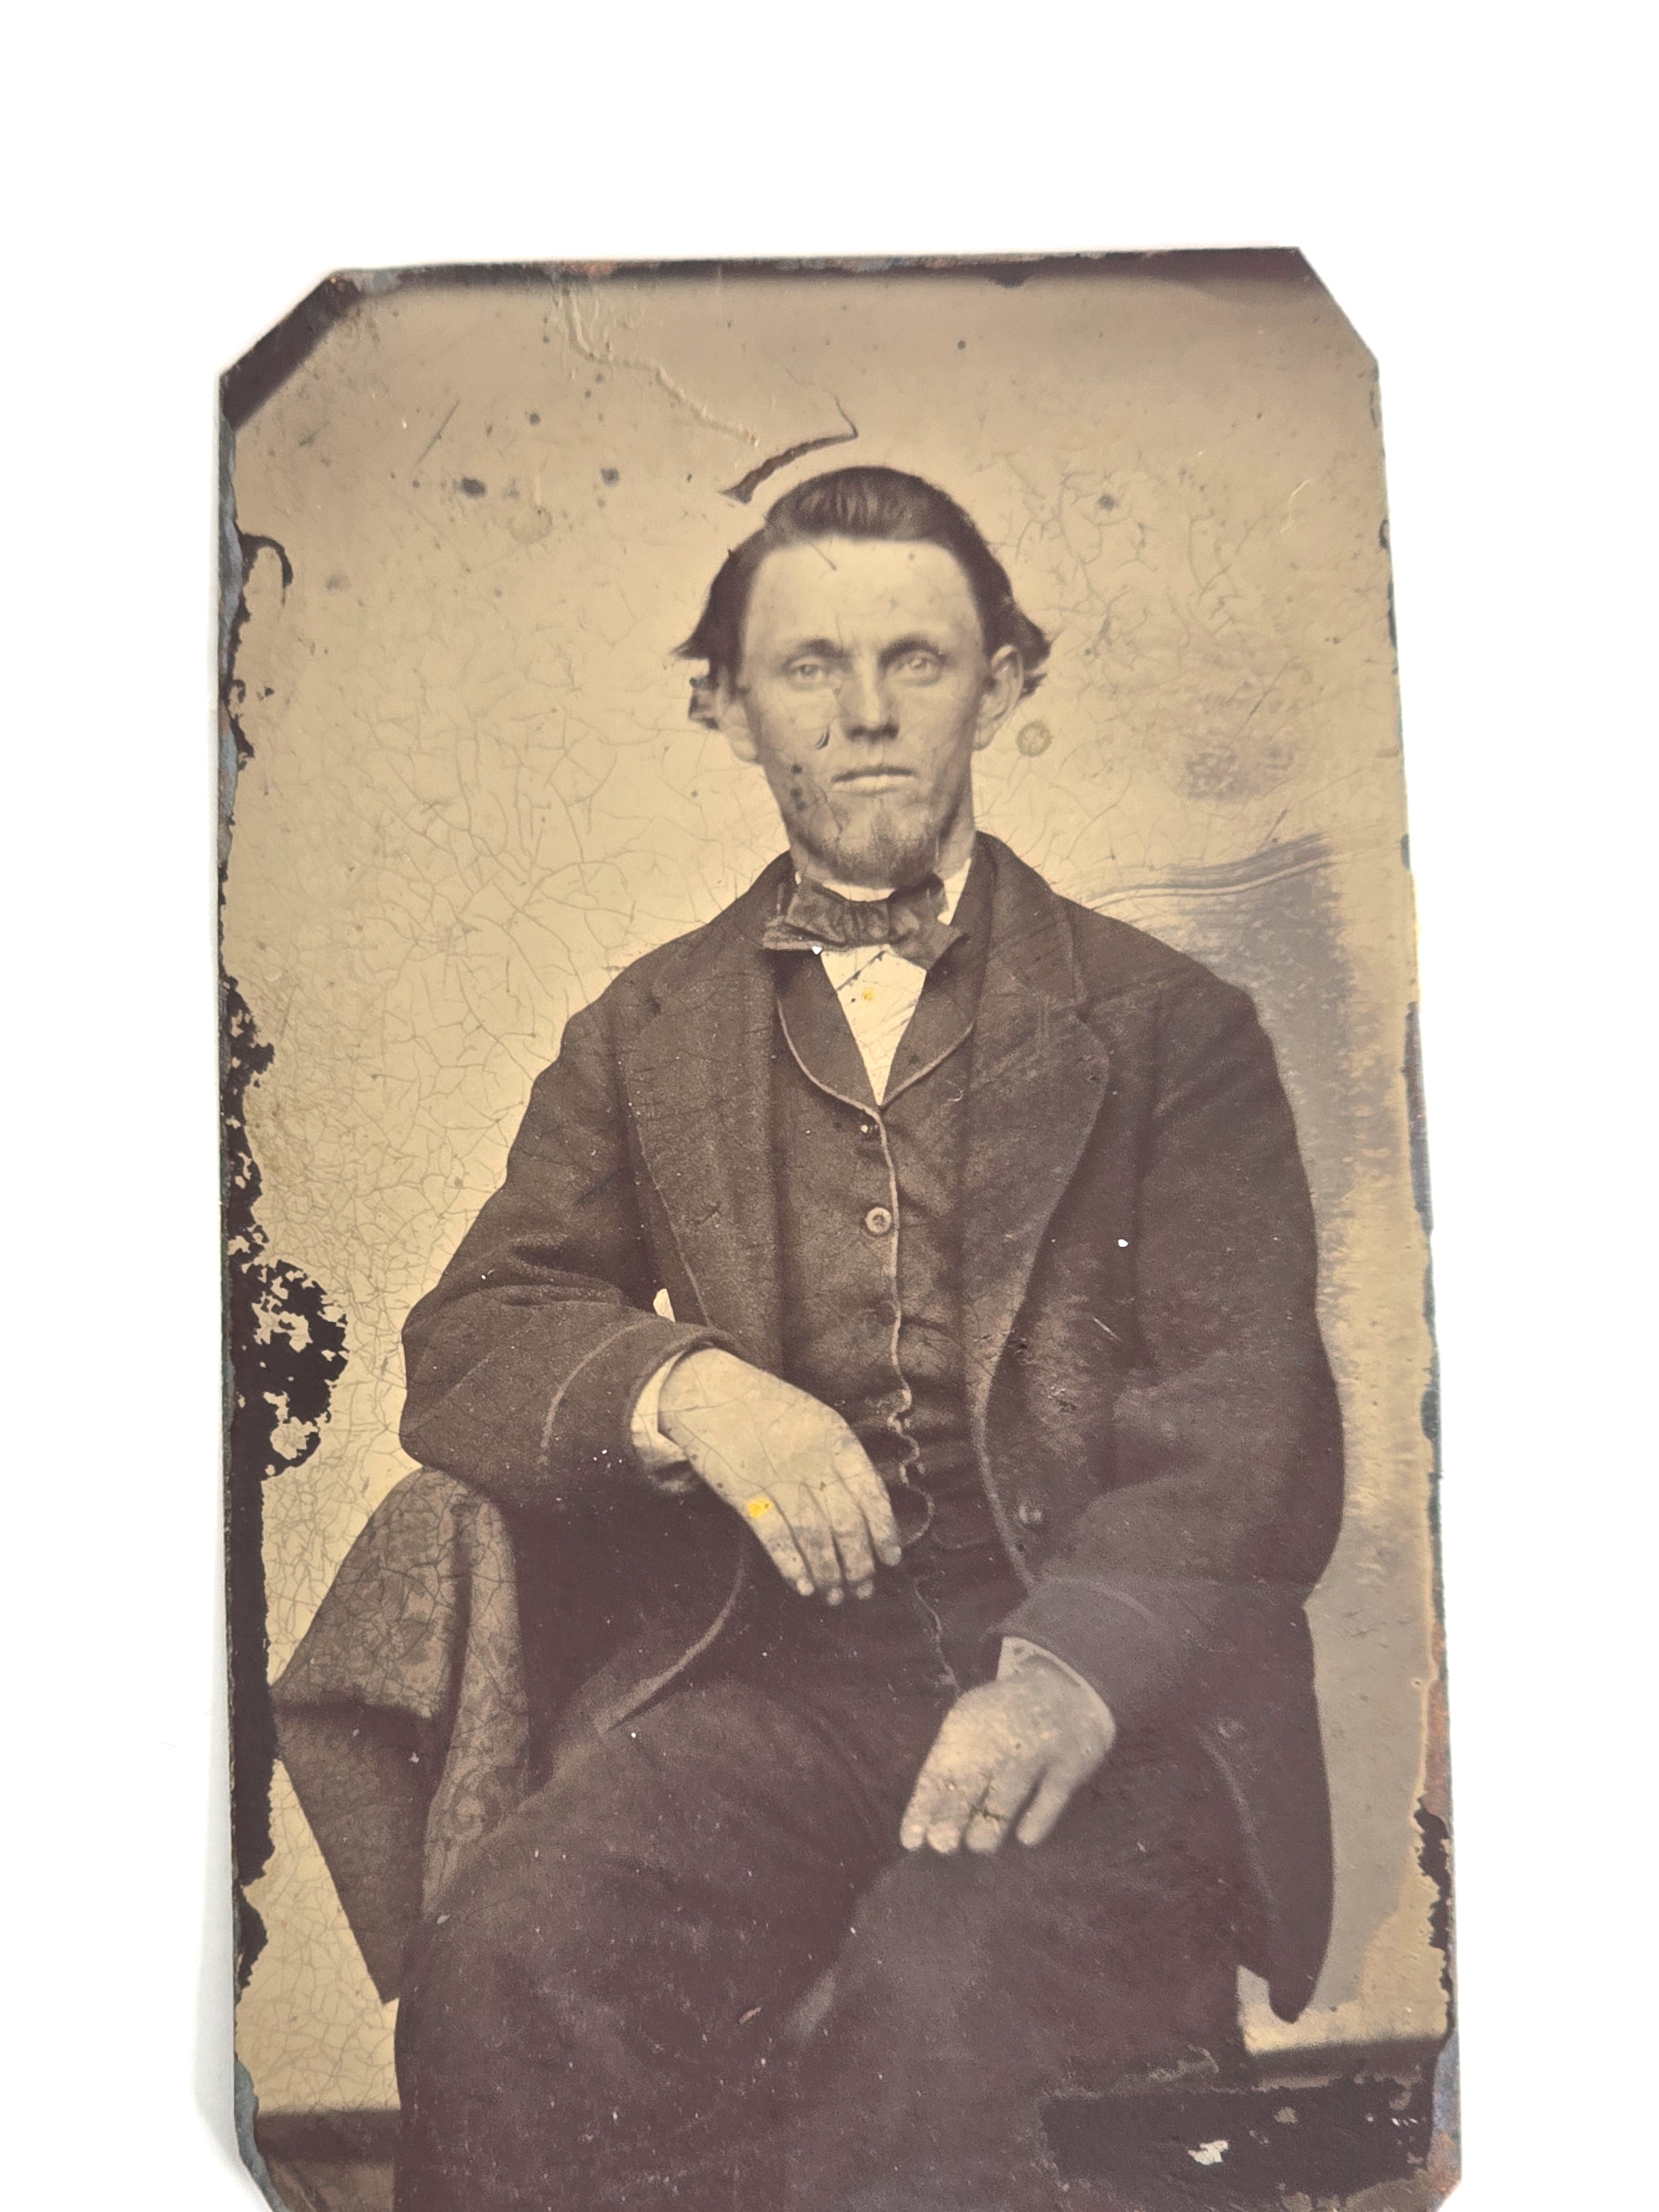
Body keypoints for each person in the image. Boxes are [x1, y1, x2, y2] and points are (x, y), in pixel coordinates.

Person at [388, 466, 1345, 2212]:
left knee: (947, 2002)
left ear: (1006, 682)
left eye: (920, 659)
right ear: (725, 704)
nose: (870, 713)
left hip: (1093, 1697)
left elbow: (1250, 1415)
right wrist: (692, 1391)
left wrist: (1069, 1668)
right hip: (776, 1685)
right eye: (810, 667)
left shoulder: (1171, 1027)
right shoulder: (645, 1027)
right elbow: (471, 1336)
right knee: (515, 1958)